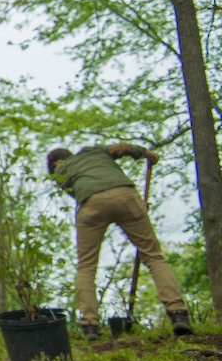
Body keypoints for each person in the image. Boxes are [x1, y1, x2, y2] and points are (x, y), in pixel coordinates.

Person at [47, 144, 191, 339]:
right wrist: (147, 154)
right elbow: (121, 148)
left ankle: (90, 325)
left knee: (86, 267)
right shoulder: (93, 152)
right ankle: (178, 314)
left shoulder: (59, 173)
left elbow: (84, 194)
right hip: (126, 197)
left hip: (90, 206)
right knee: (154, 257)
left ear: (56, 163)